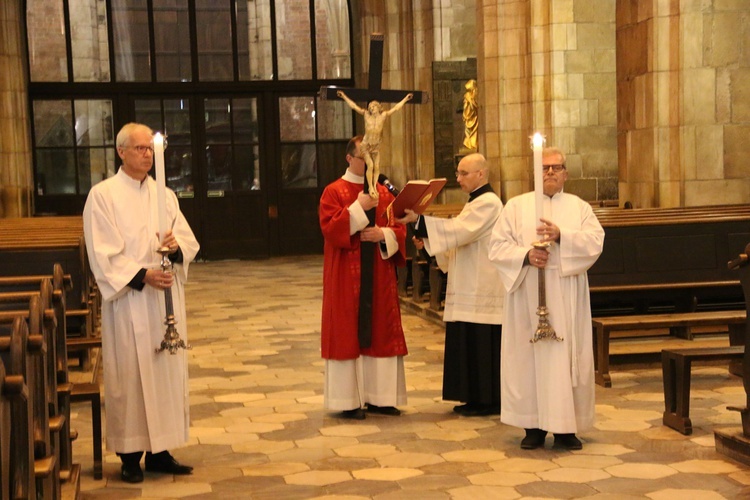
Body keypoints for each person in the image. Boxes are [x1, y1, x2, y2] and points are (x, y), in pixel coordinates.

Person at [83, 123, 200, 483]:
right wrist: (142, 275)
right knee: (131, 378)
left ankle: (161, 451)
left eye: (150, 149)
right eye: (139, 148)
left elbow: (187, 240)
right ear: (121, 152)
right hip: (131, 303)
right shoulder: (102, 196)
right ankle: (130, 456)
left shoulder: (165, 196)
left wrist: (176, 249)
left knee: (165, 375)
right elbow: (103, 253)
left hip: (164, 298)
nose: (147, 154)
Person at [487, 146, 604, 450]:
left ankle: (566, 428)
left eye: (556, 167)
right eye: (544, 168)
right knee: (528, 359)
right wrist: (526, 255)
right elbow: (496, 247)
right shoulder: (515, 207)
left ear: (566, 173)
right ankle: (533, 426)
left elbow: (595, 241)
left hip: (566, 295)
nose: (550, 172)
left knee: (566, 359)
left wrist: (563, 235)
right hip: (527, 293)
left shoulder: (579, 207)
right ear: (535, 173)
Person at [398, 153, 504, 416]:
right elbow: (459, 235)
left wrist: (420, 222)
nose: (458, 178)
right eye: (457, 173)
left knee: (481, 343)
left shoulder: (489, 202)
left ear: (481, 174)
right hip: (469, 282)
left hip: (482, 286)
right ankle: (472, 397)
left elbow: (461, 231)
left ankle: (487, 400)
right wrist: (429, 245)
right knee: (468, 340)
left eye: (463, 173)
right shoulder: (475, 201)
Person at [318, 135, 409, 420]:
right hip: (347, 274)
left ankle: (381, 398)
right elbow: (331, 229)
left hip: (379, 274)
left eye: (373, 157)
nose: (370, 163)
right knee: (347, 329)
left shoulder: (385, 192)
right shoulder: (333, 191)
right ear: (349, 158)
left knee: (381, 327)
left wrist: (384, 234)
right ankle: (348, 400)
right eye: (364, 157)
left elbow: (399, 228)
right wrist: (358, 208)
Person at [337, 90, 413, 198]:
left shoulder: (383, 116)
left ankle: (373, 185)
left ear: (378, 107)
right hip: (367, 144)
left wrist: (406, 99)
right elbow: (354, 106)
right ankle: (371, 188)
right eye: (370, 107)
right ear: (349, 159)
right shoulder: (334, 191)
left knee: (376, 167)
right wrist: (344, 96)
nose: (372, 108)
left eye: (374, 107)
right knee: (371, 165)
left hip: (376, 145)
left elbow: (396, 108)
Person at [462, 79, 478, 151]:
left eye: (469, 90)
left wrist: (471, 101)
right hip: (469, 117)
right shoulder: (467, 97)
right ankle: (469, 143)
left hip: (475, 118)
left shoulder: (475, 97)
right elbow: (466, 110)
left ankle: (473, 143)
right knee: (468, 131)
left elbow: (476, 105)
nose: (468, 92)